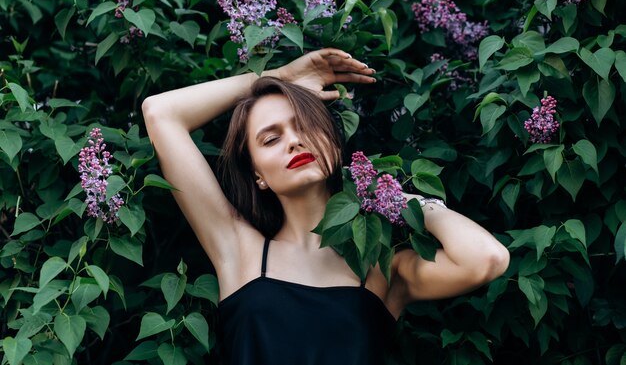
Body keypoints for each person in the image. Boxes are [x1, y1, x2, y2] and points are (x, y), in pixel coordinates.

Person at [141, 48, 510, 365]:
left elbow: (486, 259)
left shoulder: (381, 267)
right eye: (271, 138)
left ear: (334, 144)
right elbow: (161, 112)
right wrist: (281, 76)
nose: (294, 142)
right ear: (258, 175)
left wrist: (400, 200)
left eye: (304, 126)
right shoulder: (239, 251)